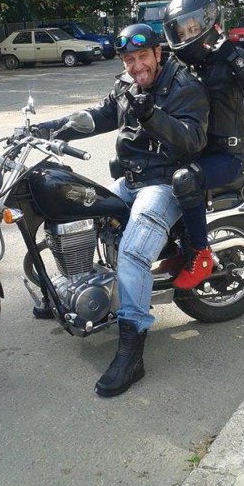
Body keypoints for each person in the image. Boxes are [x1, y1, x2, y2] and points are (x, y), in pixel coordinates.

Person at [34, 23, 209, 397]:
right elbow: (98, 115)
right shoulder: (127, 85)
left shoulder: (185, 86)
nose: (136, 66)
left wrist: (153, 116)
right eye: (129, 59)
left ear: (158, 53)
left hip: (165, 183)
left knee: (132, 252)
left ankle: (132, 353)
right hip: (131, 180)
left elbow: (194, 140)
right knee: (78, 211)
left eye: (143, 56)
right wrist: (46, 129)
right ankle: (70, 292)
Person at [163, 0, 244, 290]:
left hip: (227, 157)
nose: (187, 36)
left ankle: (199, 254)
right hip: (195, 150)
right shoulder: (183, 66)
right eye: (180, 32)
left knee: (185, 180)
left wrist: (235, 61)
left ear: (209, 24)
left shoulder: (229, 58)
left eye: (192, 29)